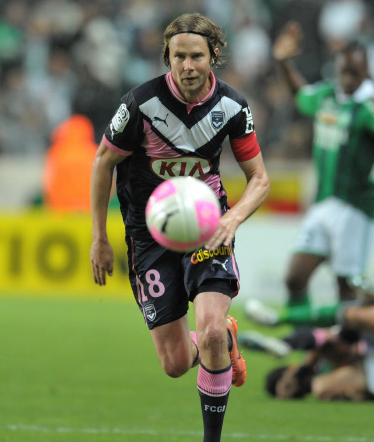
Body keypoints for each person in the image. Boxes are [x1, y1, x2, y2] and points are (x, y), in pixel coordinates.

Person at [90, 13, 270, 442]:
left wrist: (232, 218)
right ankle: (226, 340)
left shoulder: (232, 107)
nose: (188, 66)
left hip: (208, 227)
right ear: (167, 58)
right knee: (174, 363)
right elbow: (103, 162)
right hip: (147, 235)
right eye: (178, 57)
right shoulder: (141, 104)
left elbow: (260, 179)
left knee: (209, 331)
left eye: (196, 57)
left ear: (214, 56)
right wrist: (99, 238)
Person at [246, 22, 374, 328]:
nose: (348, 78)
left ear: (366, 71)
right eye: (344, 71)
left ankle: (348, 349)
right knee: (295, 278)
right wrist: (283, 62)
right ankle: (304, 342)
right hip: (323, 203)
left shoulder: (373, 105)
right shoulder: (327, 95)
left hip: (356, 208)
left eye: (355, 72)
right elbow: (300, 95)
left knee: (346, 290)